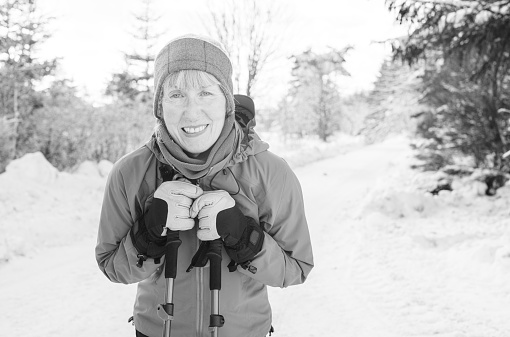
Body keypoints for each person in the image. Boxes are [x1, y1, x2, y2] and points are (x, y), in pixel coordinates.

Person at [95, 34, 314, 337]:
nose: (192, 111)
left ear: (227, 100)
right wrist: (149, 230)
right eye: (175, 95)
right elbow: (111, 266)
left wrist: (244, 237)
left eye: (206, 93)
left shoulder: (270, 172)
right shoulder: (129, 172)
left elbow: (296, 268)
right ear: (160, 105)